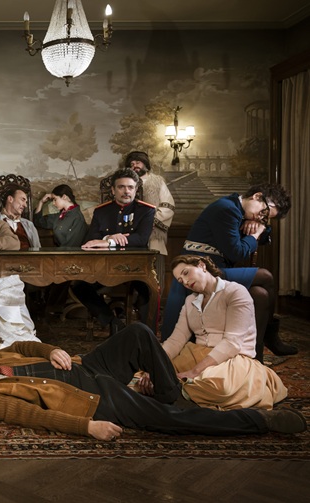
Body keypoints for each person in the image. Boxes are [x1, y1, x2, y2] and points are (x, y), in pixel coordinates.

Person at [0, 323, 306, 440]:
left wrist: (52, 350)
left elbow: (22, 345)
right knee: (170, 421)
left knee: (138, 333)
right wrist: (88, 427)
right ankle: (260, 421)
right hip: (92, 398)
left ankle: (171, 394)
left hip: (86, 366)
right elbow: (36, 416)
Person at [160, 184, 295, 361]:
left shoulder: (239, 210)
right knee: (266, 276)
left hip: (217, 270)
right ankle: (270, 336)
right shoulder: (227, 209)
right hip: (204, 272)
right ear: (257, 196)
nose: (261, 218)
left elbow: (265, 235)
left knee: (260, 294)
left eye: (266, 218)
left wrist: (258, 224)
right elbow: (237, 253)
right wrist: (254, 235)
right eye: (263, 213)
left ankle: (256, 351)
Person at [160, 255, 287, 410]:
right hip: (195, 354)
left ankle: (173, 393)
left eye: (186, 273)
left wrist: (195, 371)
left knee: (219, 386)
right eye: (181, 281)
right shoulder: (189, 301)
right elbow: (176, 339)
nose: (185, 282)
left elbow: (232, 343)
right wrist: (156, 363)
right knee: (147, 374)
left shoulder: (235, 291)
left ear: (201, 265)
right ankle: (180, 394)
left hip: (232, 358)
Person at [73, 168, 156, 334]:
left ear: (136, 189)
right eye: (121, 187)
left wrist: (108, 241)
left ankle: (147, 333)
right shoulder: (101, 211)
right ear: (113, 190)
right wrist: (110, 237)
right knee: (79, 286)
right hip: (104, 267)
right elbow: (91, 239)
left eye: (130, 187)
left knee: (149, 288)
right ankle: (112, 322)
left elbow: (141, 239)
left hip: (134, 267)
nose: (126, 191)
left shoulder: (146, 210)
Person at [124, 151, 175, 293]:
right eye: (132, 164)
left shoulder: (157, 181)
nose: (135, 166)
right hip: (130, 235)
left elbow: (168, 205)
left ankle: (155, 302)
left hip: (154, 234)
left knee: (155, 274)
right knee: (131, 275)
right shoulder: (125, 183)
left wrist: (149, 220)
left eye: (138, 163)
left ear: (145, 164)